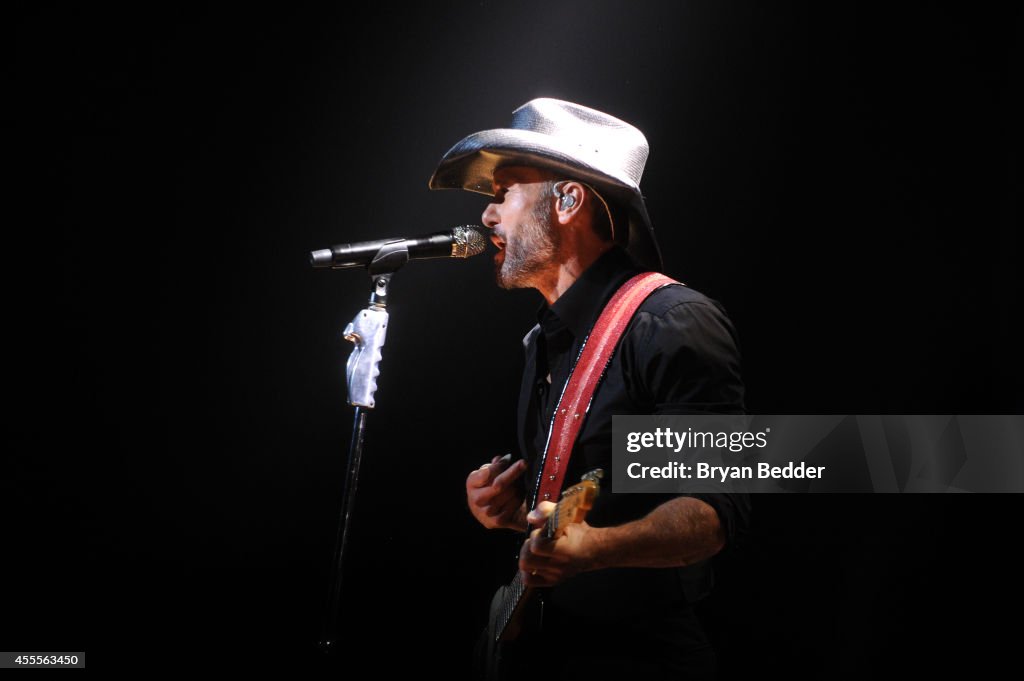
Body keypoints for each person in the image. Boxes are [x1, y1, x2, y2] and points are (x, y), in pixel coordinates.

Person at [429, 98, 749, 679]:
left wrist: (596, 550)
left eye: (505, 194)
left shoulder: (671, 321)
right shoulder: (545, 340)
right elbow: (600, 494)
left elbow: (714, 509)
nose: (488, 218)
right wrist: (513, 511)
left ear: (569, 199)